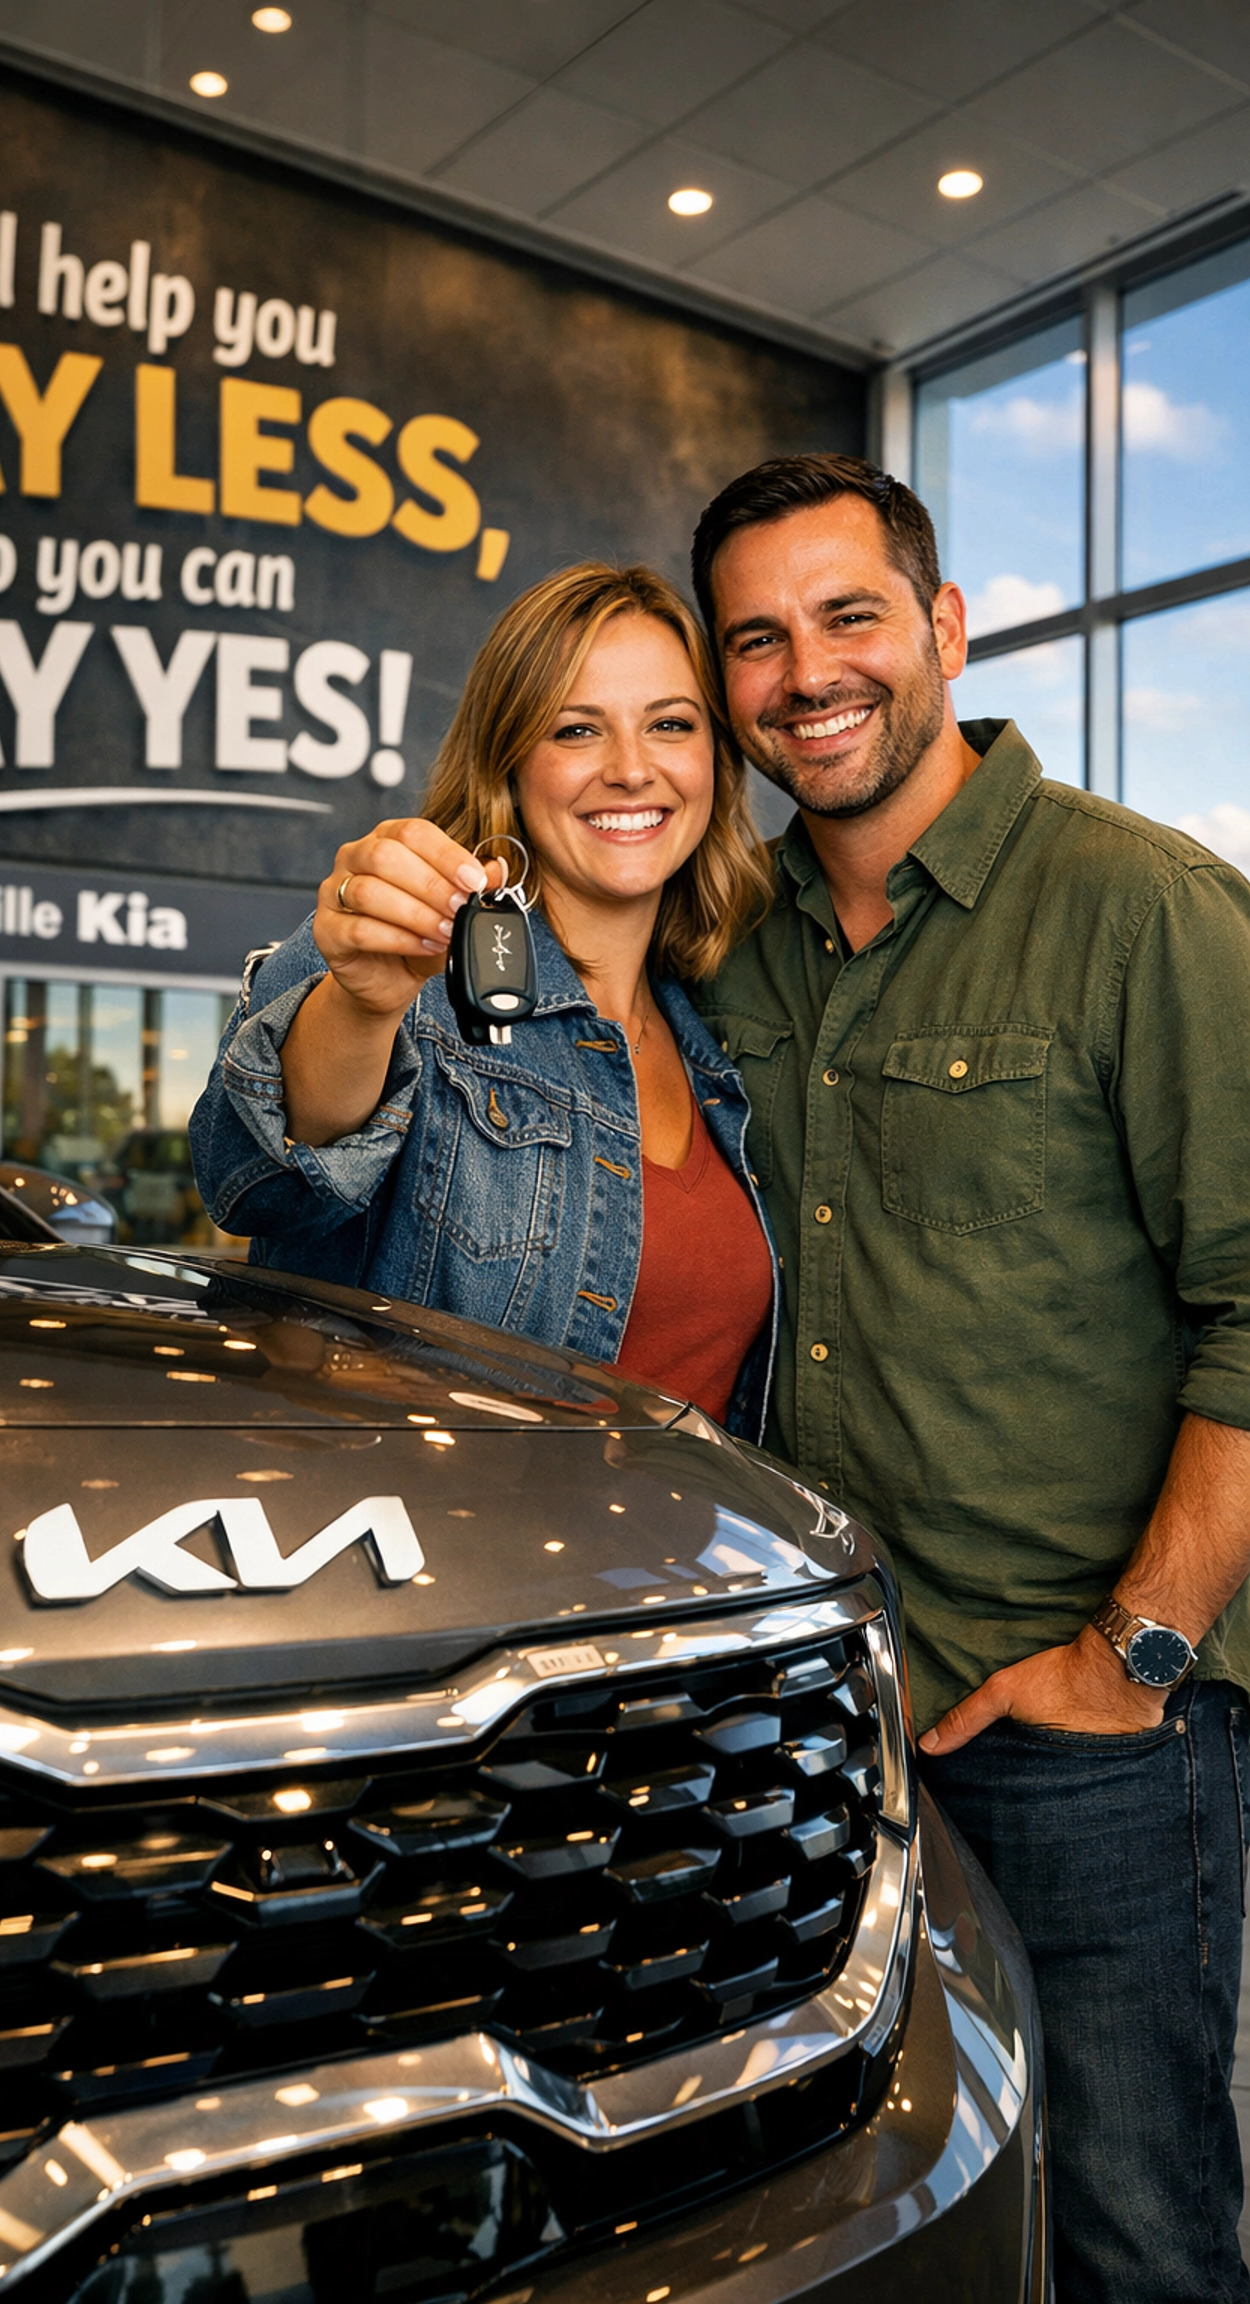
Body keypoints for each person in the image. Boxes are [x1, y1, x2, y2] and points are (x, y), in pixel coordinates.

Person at [687, 451, 1250, 2304]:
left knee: (1128, 2229)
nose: (805, 672)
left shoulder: (1141, 906)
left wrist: (1138, 1650)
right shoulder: (726, 936)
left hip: (1081, 1729)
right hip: (813, 1726)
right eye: (755, 638)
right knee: (865, 2223)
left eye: (848, 615)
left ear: (939, 626)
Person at [190, 561, 778, 1432]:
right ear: (510, 760)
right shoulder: (407, 961)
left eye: (670, 724)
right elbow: (261, 1180)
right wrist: (361, 1006)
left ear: (715, 762)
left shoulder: (715, 1037)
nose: (629, 768)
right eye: (577, 730)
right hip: (434, 1556)